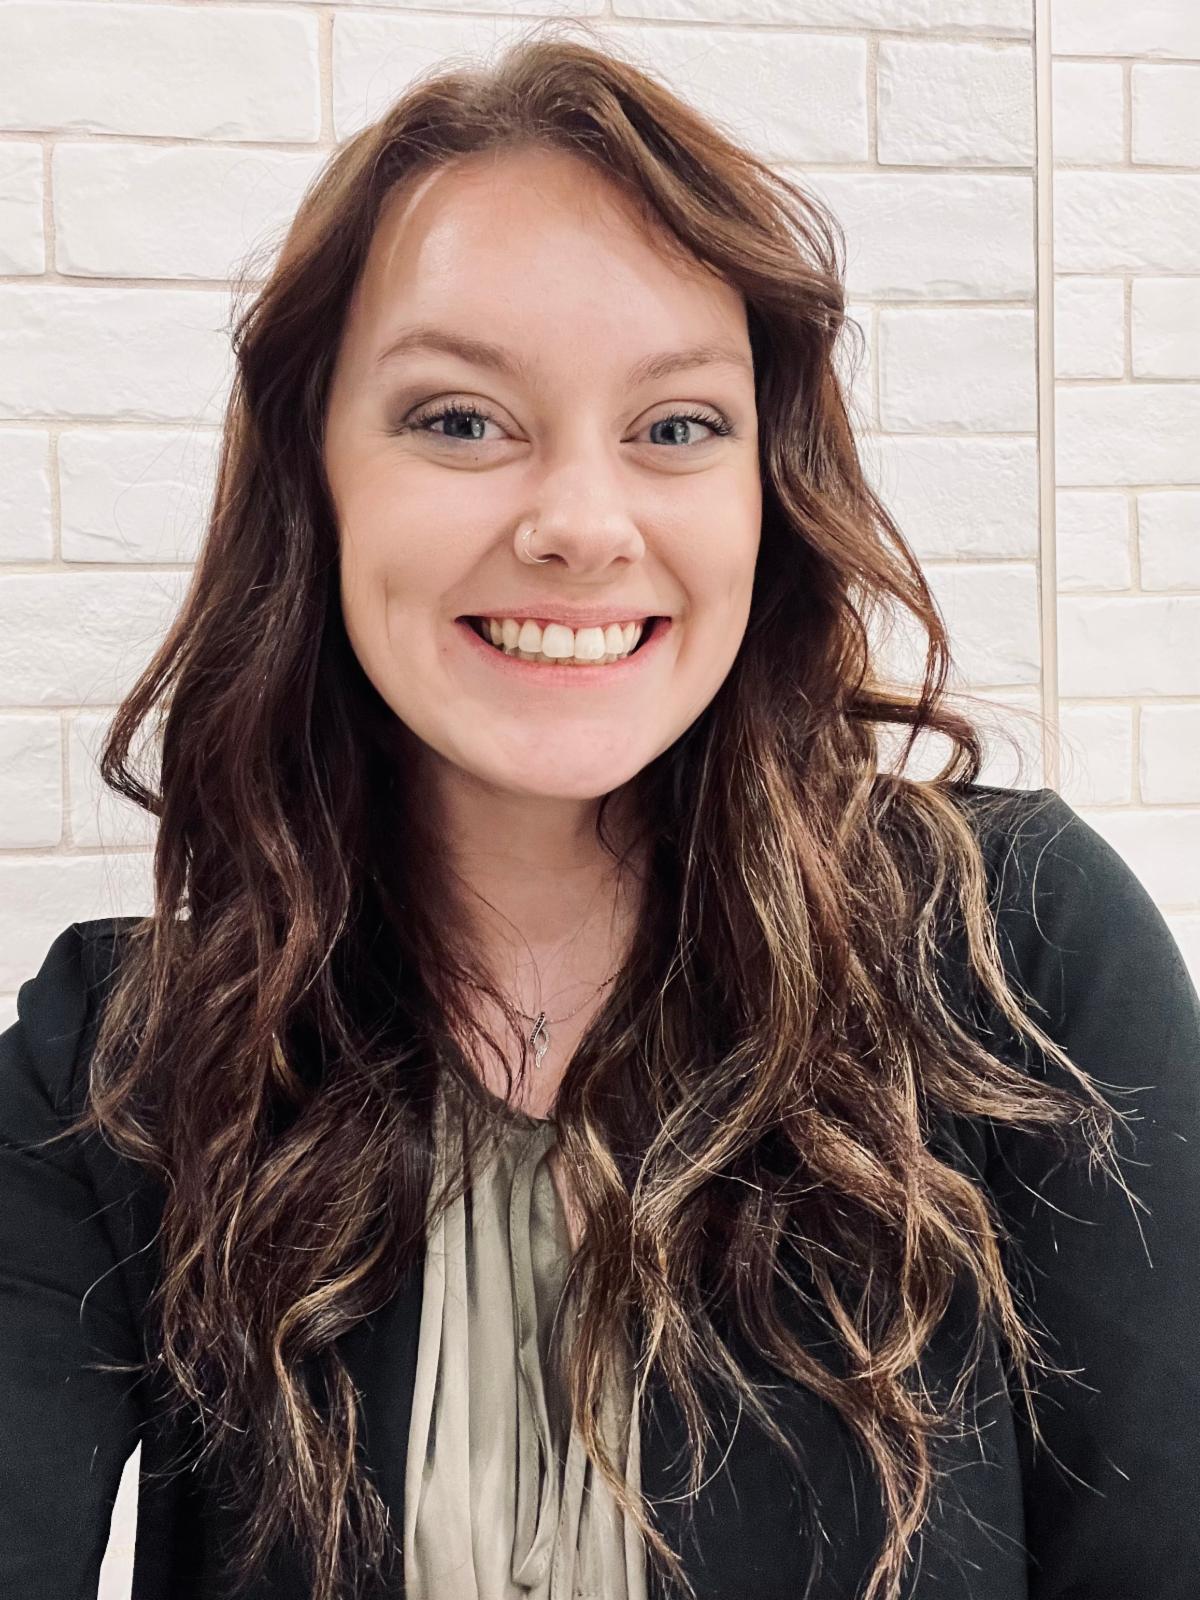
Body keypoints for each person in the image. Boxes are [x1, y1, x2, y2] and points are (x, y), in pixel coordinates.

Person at [2, 28, 1198, 1600]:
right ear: (319, 472)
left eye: (677, 426)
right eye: (459, 419)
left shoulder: (1017, 944)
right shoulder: (136, 1053)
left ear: (766, 488)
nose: (579, 523)